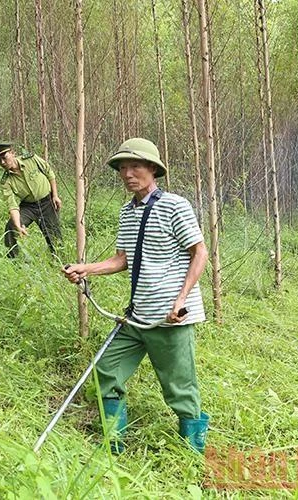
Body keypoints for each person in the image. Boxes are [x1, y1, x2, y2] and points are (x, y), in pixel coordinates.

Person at [62, 137, 210, 454]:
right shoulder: (127, 212)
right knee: (107, 369)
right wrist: (85, 268)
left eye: (136, 166)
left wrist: (181, 300)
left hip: (170, 318)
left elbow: (200, 252)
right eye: (123, 168)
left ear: (153, 169)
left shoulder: (175, 206)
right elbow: (122, 259)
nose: (128, 174)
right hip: (137, 316)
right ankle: (113, 443)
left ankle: (192, 453)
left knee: (179, 388)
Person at [0, 142, 62, 258]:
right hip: (29, 206)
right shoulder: (5, 181)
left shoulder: (31, 159)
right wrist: (18, 226)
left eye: (4, 158)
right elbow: (12, 205)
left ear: (12, 153)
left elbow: (49, 173)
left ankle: (59, 260)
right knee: (11, 226)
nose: (2, 162)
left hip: (47, 201)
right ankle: (12, 260)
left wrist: (55, 196)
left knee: (54, 237)